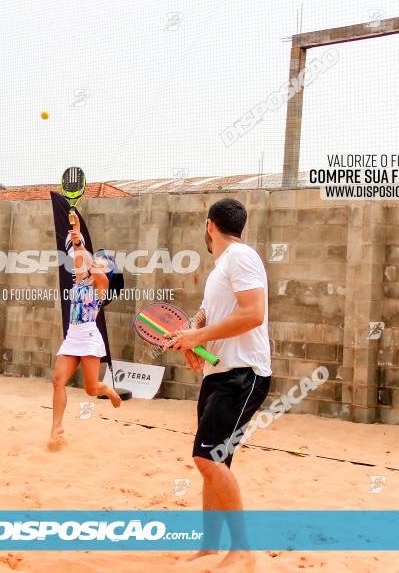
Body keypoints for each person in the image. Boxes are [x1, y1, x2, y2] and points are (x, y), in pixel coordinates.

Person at [165, 197, 271, 572]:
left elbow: (253, 313)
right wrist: (193, 333)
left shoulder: (241, 257)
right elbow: (211, 314)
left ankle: (242, 550)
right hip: (220, 373)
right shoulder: (221, 268)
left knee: (205, 457)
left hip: (244, 373)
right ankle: (210, 546)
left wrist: (200, 336)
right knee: (214, 460)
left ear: (210, 225)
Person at [48, 216, 122, 450]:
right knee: (58, 380)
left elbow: (87, 261)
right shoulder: (81, 278)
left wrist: (79, 242)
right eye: (98, 260)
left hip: (90, 339)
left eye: (103, 262)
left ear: (108, 272)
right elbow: (83, 262)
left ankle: (106, 389)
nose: (99, 263)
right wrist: (75, 231)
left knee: (91, 390)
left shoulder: (102, 284)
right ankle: (56, 427)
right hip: (73, 337)